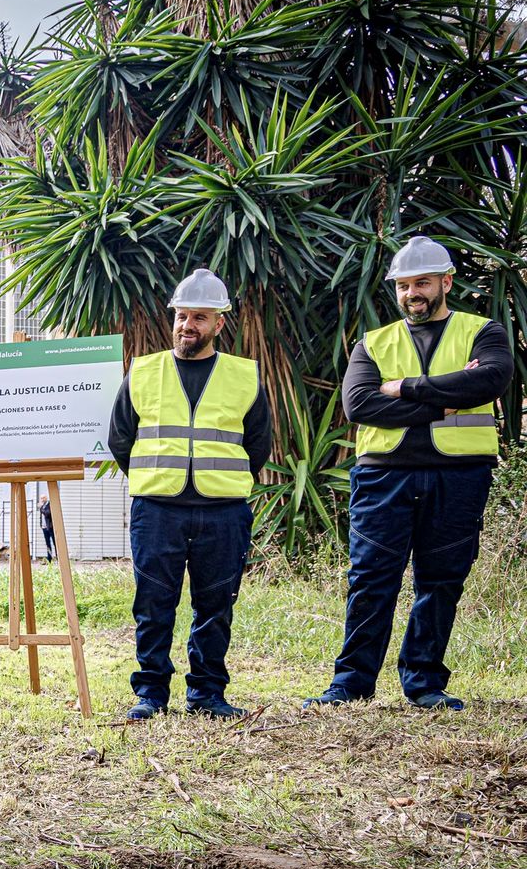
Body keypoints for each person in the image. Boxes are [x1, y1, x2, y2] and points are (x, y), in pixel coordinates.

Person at [304, 236, 510, 712]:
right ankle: (351, 683)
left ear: (446, 282)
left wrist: (404, 389)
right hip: (383, 478)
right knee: (370, 579)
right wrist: (444, 401)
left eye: (422, 283)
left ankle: (424, 682)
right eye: (403, 286)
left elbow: (491, 379)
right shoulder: (373, 343)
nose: (412, 293)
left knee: (440, 580)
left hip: (458, 476)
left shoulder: (484, 331)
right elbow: (359, 404)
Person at [108, 269, 271, 721]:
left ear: (219, 324)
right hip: (158, 509)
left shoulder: (243, 375)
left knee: (216, 604)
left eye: (200, 317)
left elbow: (258, 444)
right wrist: (155, 478)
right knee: (153, 605)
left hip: (223, 512)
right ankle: (151, 694)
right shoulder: (143, 370)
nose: (188, 326)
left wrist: (223, 481)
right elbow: (120, 438)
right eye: (182, 316)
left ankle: (207, 693)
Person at [38, 493, 55, 563]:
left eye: (43, 498)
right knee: (48, 544)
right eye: (41, 498)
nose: (42, 499)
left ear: (46, 498)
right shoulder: (42, 506)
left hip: (50, 527)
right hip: (44, 528)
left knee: (55, 543)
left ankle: (58, 557)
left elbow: (48, 514)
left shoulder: (49, 505)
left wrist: (41, 508)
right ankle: (49, 559)